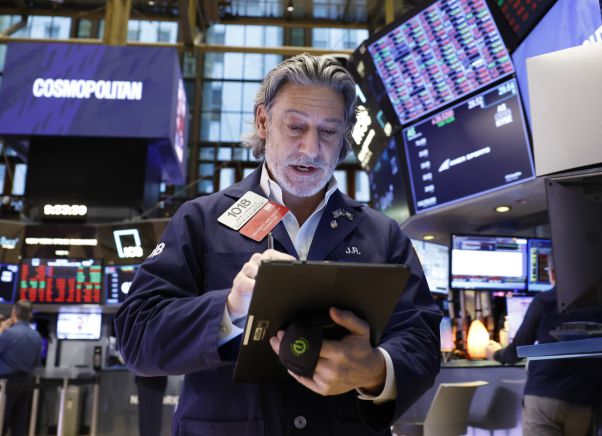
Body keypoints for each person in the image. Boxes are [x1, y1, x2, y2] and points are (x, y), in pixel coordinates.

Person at [114, 54, 442, 435]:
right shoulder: (200, 220)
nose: (311, 149)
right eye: (295, 126)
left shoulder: (383, 235)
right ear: (263, 122)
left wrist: (375, 369)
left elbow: (421, 337)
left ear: (344, 137)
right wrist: (229, 309)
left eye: (329, 131)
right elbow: (136, 334)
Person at [486, 257, 602, 436]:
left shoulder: (544, 301)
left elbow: (516, 351)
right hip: (582, 403)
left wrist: (495, 354)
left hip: (545, 398)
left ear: (552, 273)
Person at [0, 300, 42, 436]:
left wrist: (1, 330)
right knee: (19, 423)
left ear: (13, 313)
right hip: (26, 383)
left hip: (6, 383)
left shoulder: (8, 334)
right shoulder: (36, 336)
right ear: (30, 316)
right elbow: (36, 363)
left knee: (1, 420)